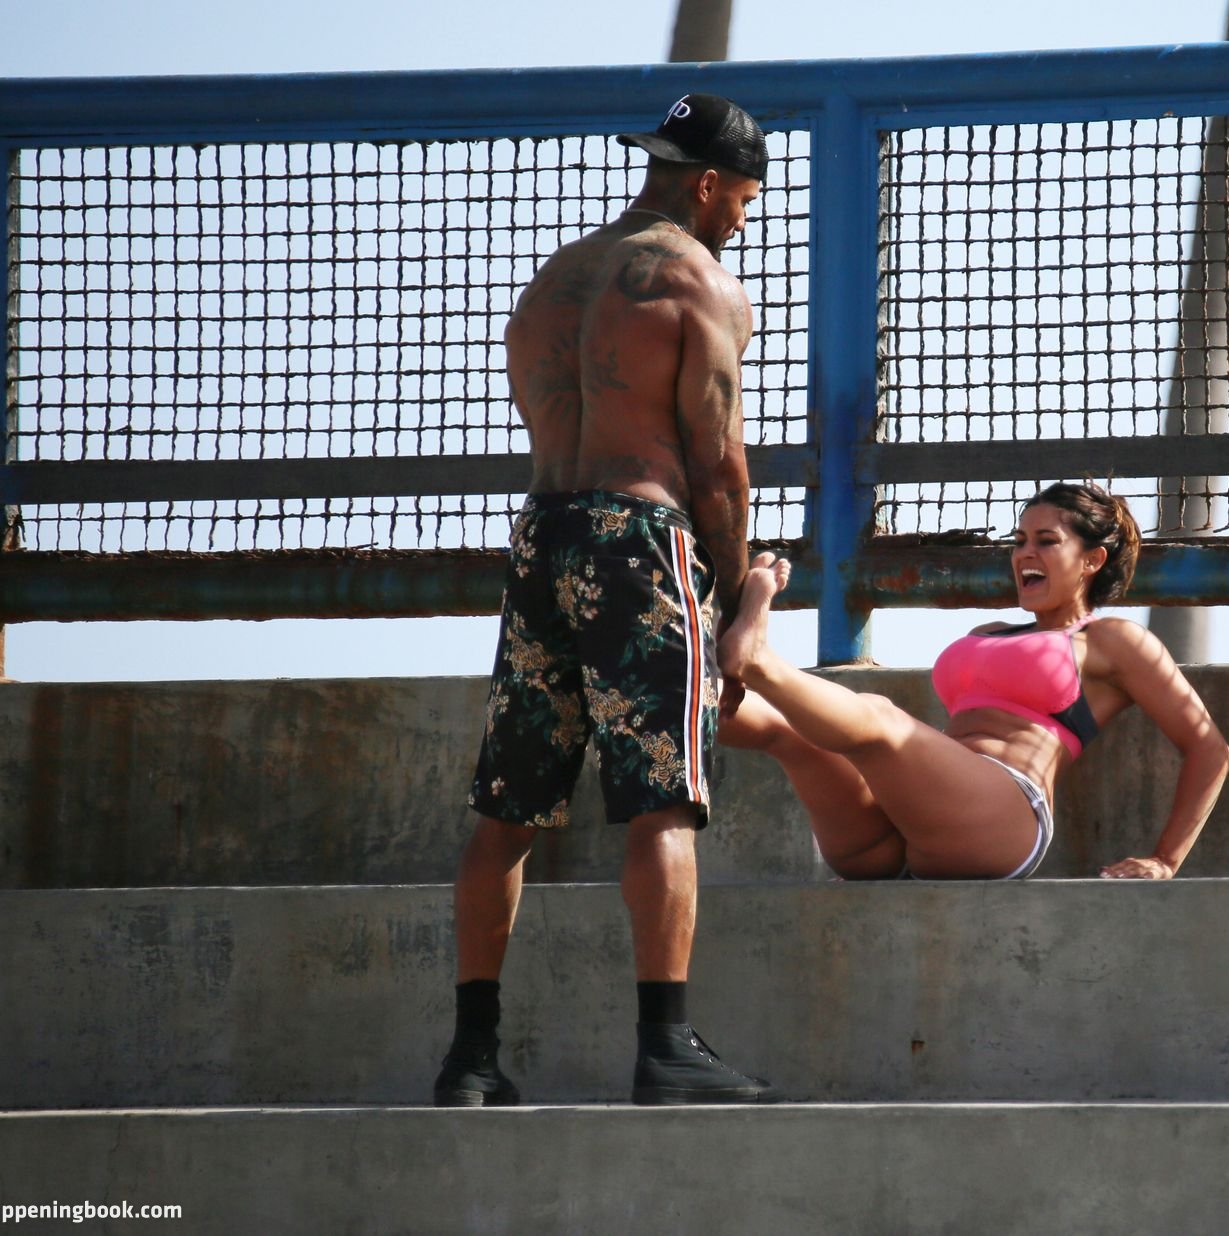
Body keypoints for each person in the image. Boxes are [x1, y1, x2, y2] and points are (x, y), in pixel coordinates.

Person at [434, 93, 780, 1107]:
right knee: (662, 802)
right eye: (744, 199)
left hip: (543, 535)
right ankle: (666, 1047)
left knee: (505, 811)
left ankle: (471, 1059)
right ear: (708, 184)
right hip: (639, 542)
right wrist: (734, 596)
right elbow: (717, 462)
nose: (743, 220)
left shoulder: (554, 279)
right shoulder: (699, 283)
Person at [717, 482, 1229, 881]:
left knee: (880, 718)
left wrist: (1165, 859)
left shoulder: (1110, 639)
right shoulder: (989, 632)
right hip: (906, 831)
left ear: (1092, 561)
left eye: (1047, 542)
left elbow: (1209, 748)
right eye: (1020, 541)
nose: (1024, 554)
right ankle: (692, 688)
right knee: (790, 734)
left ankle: (759, 661)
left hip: (1002, 821)